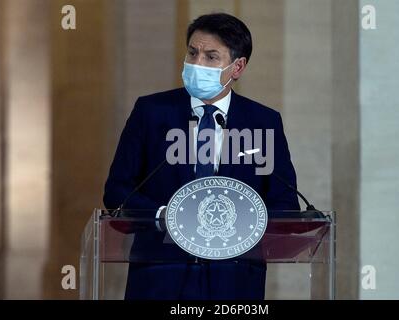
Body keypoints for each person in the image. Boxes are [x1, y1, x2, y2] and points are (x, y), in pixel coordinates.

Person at [103, 12, 300, 300]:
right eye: (192, 53)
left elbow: (285, 203)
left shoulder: (263, 121)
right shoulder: (151, 112)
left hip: (234, 280)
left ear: (238, 67)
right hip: (159, 275)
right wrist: (164, 216)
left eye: (211, 57)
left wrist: (239, 224)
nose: (197, 64)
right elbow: (117, 191)